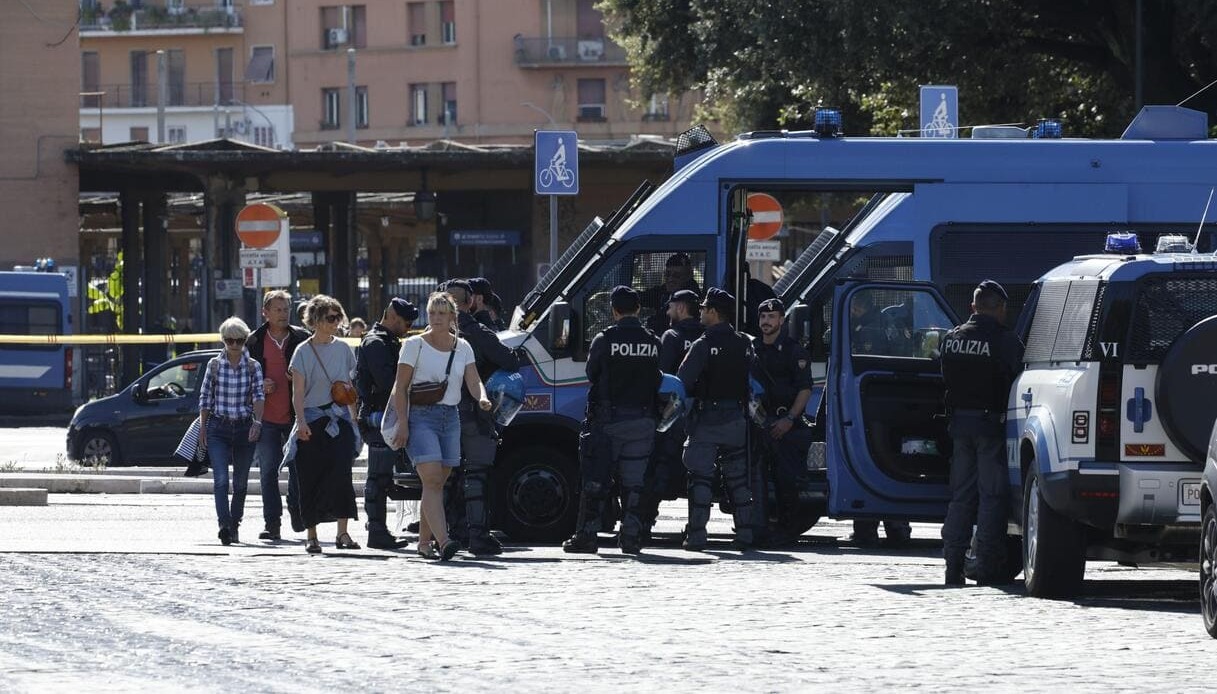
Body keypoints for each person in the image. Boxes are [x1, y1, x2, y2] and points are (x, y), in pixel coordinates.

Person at [389, 292, 493, 561]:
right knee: (433, 479)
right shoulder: (414, 345)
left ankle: (424, 543)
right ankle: (444, 540)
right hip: (421, 417)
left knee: (435, 483)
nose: (435, 318)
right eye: (432, 313)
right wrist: (402, 422)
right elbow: (400, 388)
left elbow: (473, 379)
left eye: (441, 313)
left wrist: (482, 397)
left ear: (452, 318)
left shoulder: (463, 347)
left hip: (451, 417)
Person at [563, 286, 662, 554]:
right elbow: (657, 380)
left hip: (608, 422)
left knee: (596, 481)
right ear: (638, 309)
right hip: (642, 421)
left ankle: (587, 536)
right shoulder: (653, 341)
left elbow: (592, 373)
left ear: (614, 310)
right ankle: (630, 538)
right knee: (634, 483)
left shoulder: (604, 339)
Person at [939, 279, 1024, 585]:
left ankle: (953, 565)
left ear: (973, 307)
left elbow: (945, 377)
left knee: (961, 498)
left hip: (960, 426)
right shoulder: (1005, 341)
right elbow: (1018, 379)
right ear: (1000, 309)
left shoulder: (951, 338)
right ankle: (986, 568)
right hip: (991, 428)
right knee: (991, 497)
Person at [444, 280, 520, 555]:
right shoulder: (477, 332)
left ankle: (447, 534)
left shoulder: (429, 337)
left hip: (439, 415)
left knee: (445, 477)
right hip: (474, 414)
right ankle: (477, 535)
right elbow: (511, 360)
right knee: (476, 474)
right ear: (470, 302)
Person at [678, 287, 756, 551]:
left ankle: (697, 535)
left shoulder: (703, 344)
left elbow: (683, 380)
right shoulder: (745, 342)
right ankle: (745, 534)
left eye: (703, 308)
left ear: (713, 312)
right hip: (737, 418)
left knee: (700, 478)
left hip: (707, 420)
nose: (700, 312)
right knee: (738, 480)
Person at [287, 295, 362, 555]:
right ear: (316, 320)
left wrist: (354, 422)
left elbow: (349, 388)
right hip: (312, 420)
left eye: (338, 317)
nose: (336, 323)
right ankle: (312, 535)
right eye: (330, 318)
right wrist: (300, 422)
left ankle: (342, 532)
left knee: (342, 474)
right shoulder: (302, 352)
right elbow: (297, 393)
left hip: (338, 420)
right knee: (310, 477)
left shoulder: (343, 349)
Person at [638, 289, 703, 543]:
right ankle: (696, 527)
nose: (667, 311)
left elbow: (661, 376)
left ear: (681, 308)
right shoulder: (705, 336)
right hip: (703, 413)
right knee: (698, 473)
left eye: (670, 306)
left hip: (673, 415)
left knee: (656, 470)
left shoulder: (672, 336)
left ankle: (643, 524)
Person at [750, 298, 817, 542]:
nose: (766, 321)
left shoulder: (793, 351)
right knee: (756, 479)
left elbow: (805, 389)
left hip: (784, 425)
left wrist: (789, 419)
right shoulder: (753, 349)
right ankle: (758, 526)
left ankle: (787, 530)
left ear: (781, 320)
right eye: (763, 317)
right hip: (758, 424)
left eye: (772, 317)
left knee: (785, 480)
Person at [246, 290, 311, 541]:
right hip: (267, 418)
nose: (283, 314)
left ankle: (297, 510)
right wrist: (258, 385)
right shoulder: (254, 341)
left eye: (286, 309)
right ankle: (272, 523)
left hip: (297, 416)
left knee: (298, 469)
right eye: (278, 309)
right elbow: (244, 379)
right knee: (268, 471)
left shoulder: (301, 338)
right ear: (266, 312)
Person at [354, 297, 418, 549]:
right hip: (379, 415)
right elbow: (388, 382)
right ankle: (377, 530)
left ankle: (379, 528)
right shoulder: (376, 343)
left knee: (382, 477)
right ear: (392, 316)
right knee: (379, 475)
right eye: (406, 322)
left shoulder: (387, 341)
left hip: (385, 414)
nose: (409, 327)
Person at [198, 316, 265, 546]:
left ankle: (234, 524)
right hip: (219, 427)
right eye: (229, 340)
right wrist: (203, 428)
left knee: (241, 482)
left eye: (239, 340)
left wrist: (258, 422)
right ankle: (224, 525)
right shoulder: (214, 365)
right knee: (220, 480)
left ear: (245, 340)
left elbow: (258, 395)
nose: (234, 345)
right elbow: (205, 398)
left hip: (245, 427)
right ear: (223, 340)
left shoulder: (253, 366)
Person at [642, 253, 701, 334]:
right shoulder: (663, 291)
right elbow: (643, 297)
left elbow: (662, 320)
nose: (670, 279)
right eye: (667, 274)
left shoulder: (691, 296)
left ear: (688, 276)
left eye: (676, 275)